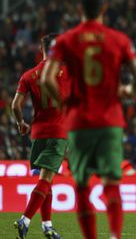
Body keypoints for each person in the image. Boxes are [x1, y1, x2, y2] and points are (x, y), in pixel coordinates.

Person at [41, 0, 136, 239]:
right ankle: (114, 236)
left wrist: (65, 102)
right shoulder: (119, 40)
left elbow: (46, 79)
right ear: (105, 8)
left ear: (80, 9)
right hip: (110, 119)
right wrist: (127, 91)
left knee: (82, 186)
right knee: (112, 183)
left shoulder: (65, 40)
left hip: (79, 121)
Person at [12, 33, 68, 239]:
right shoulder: (67, 71)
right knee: (45, 181)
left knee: (45, 181)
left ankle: (47, 226)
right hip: (58, 132)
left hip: (38, 134)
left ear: (40, 49)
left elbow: (15, 106)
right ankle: (25, 219)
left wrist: (21, 123)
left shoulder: (29, 75)